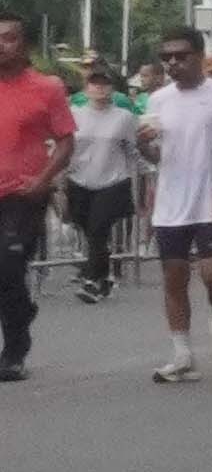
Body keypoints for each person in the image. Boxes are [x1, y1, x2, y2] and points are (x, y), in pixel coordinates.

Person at [135, 27, 212, 385]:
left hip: (210, 198)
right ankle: (182, 354)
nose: (172, 63)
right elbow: (155, 155)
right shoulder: (158, 100)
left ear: (199, 56)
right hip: (171, 203)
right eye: (166, 57)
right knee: (174, 277)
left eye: (180, 56)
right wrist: (143, 145)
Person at [0, 13, 75, 380]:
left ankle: (14, 351)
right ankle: (22, 309)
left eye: (8, 38)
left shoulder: (47, 88)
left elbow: (66, 142)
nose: (0, 45)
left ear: (24, 44)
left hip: (23, 193)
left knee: (8, 265)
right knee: (5, 276)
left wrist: (44, 180)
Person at [64, 57, 135, 300]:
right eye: (94, 84)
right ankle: (104, 278)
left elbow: (132, 148)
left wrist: (144, 172)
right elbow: (64, 146)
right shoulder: (74, 114)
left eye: (104, 84)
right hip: (80, 180)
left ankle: (91, 281)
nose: (99, 88)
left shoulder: (123, 117)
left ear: (112, 89)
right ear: (86, 89)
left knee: (98, 228)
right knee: (91, 232)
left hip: (112, 181)